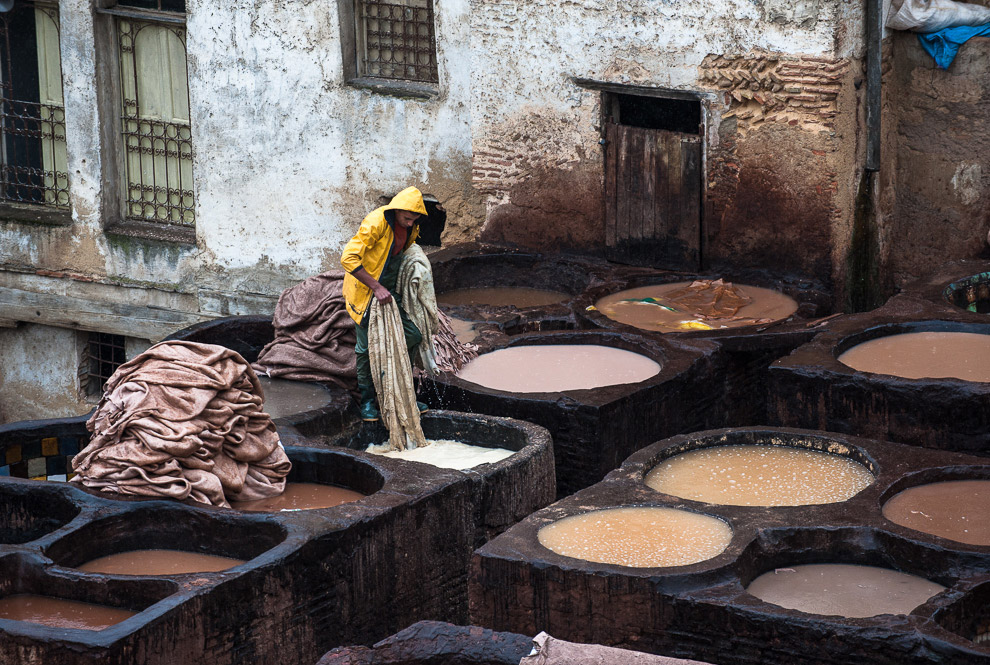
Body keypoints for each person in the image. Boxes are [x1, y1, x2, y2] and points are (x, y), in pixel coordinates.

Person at [341, 186, 431, 422]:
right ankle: (369, 401)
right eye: (407, 218)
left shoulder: (411, 227)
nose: (411, 224)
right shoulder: (376, 222)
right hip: (365, 291)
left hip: (389, 290)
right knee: (366, 349)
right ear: (396, 210)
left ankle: (403, 393)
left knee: (412, 335)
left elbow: (404, 251)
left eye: (415, 220)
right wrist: (376, 287)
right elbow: (348, 257)